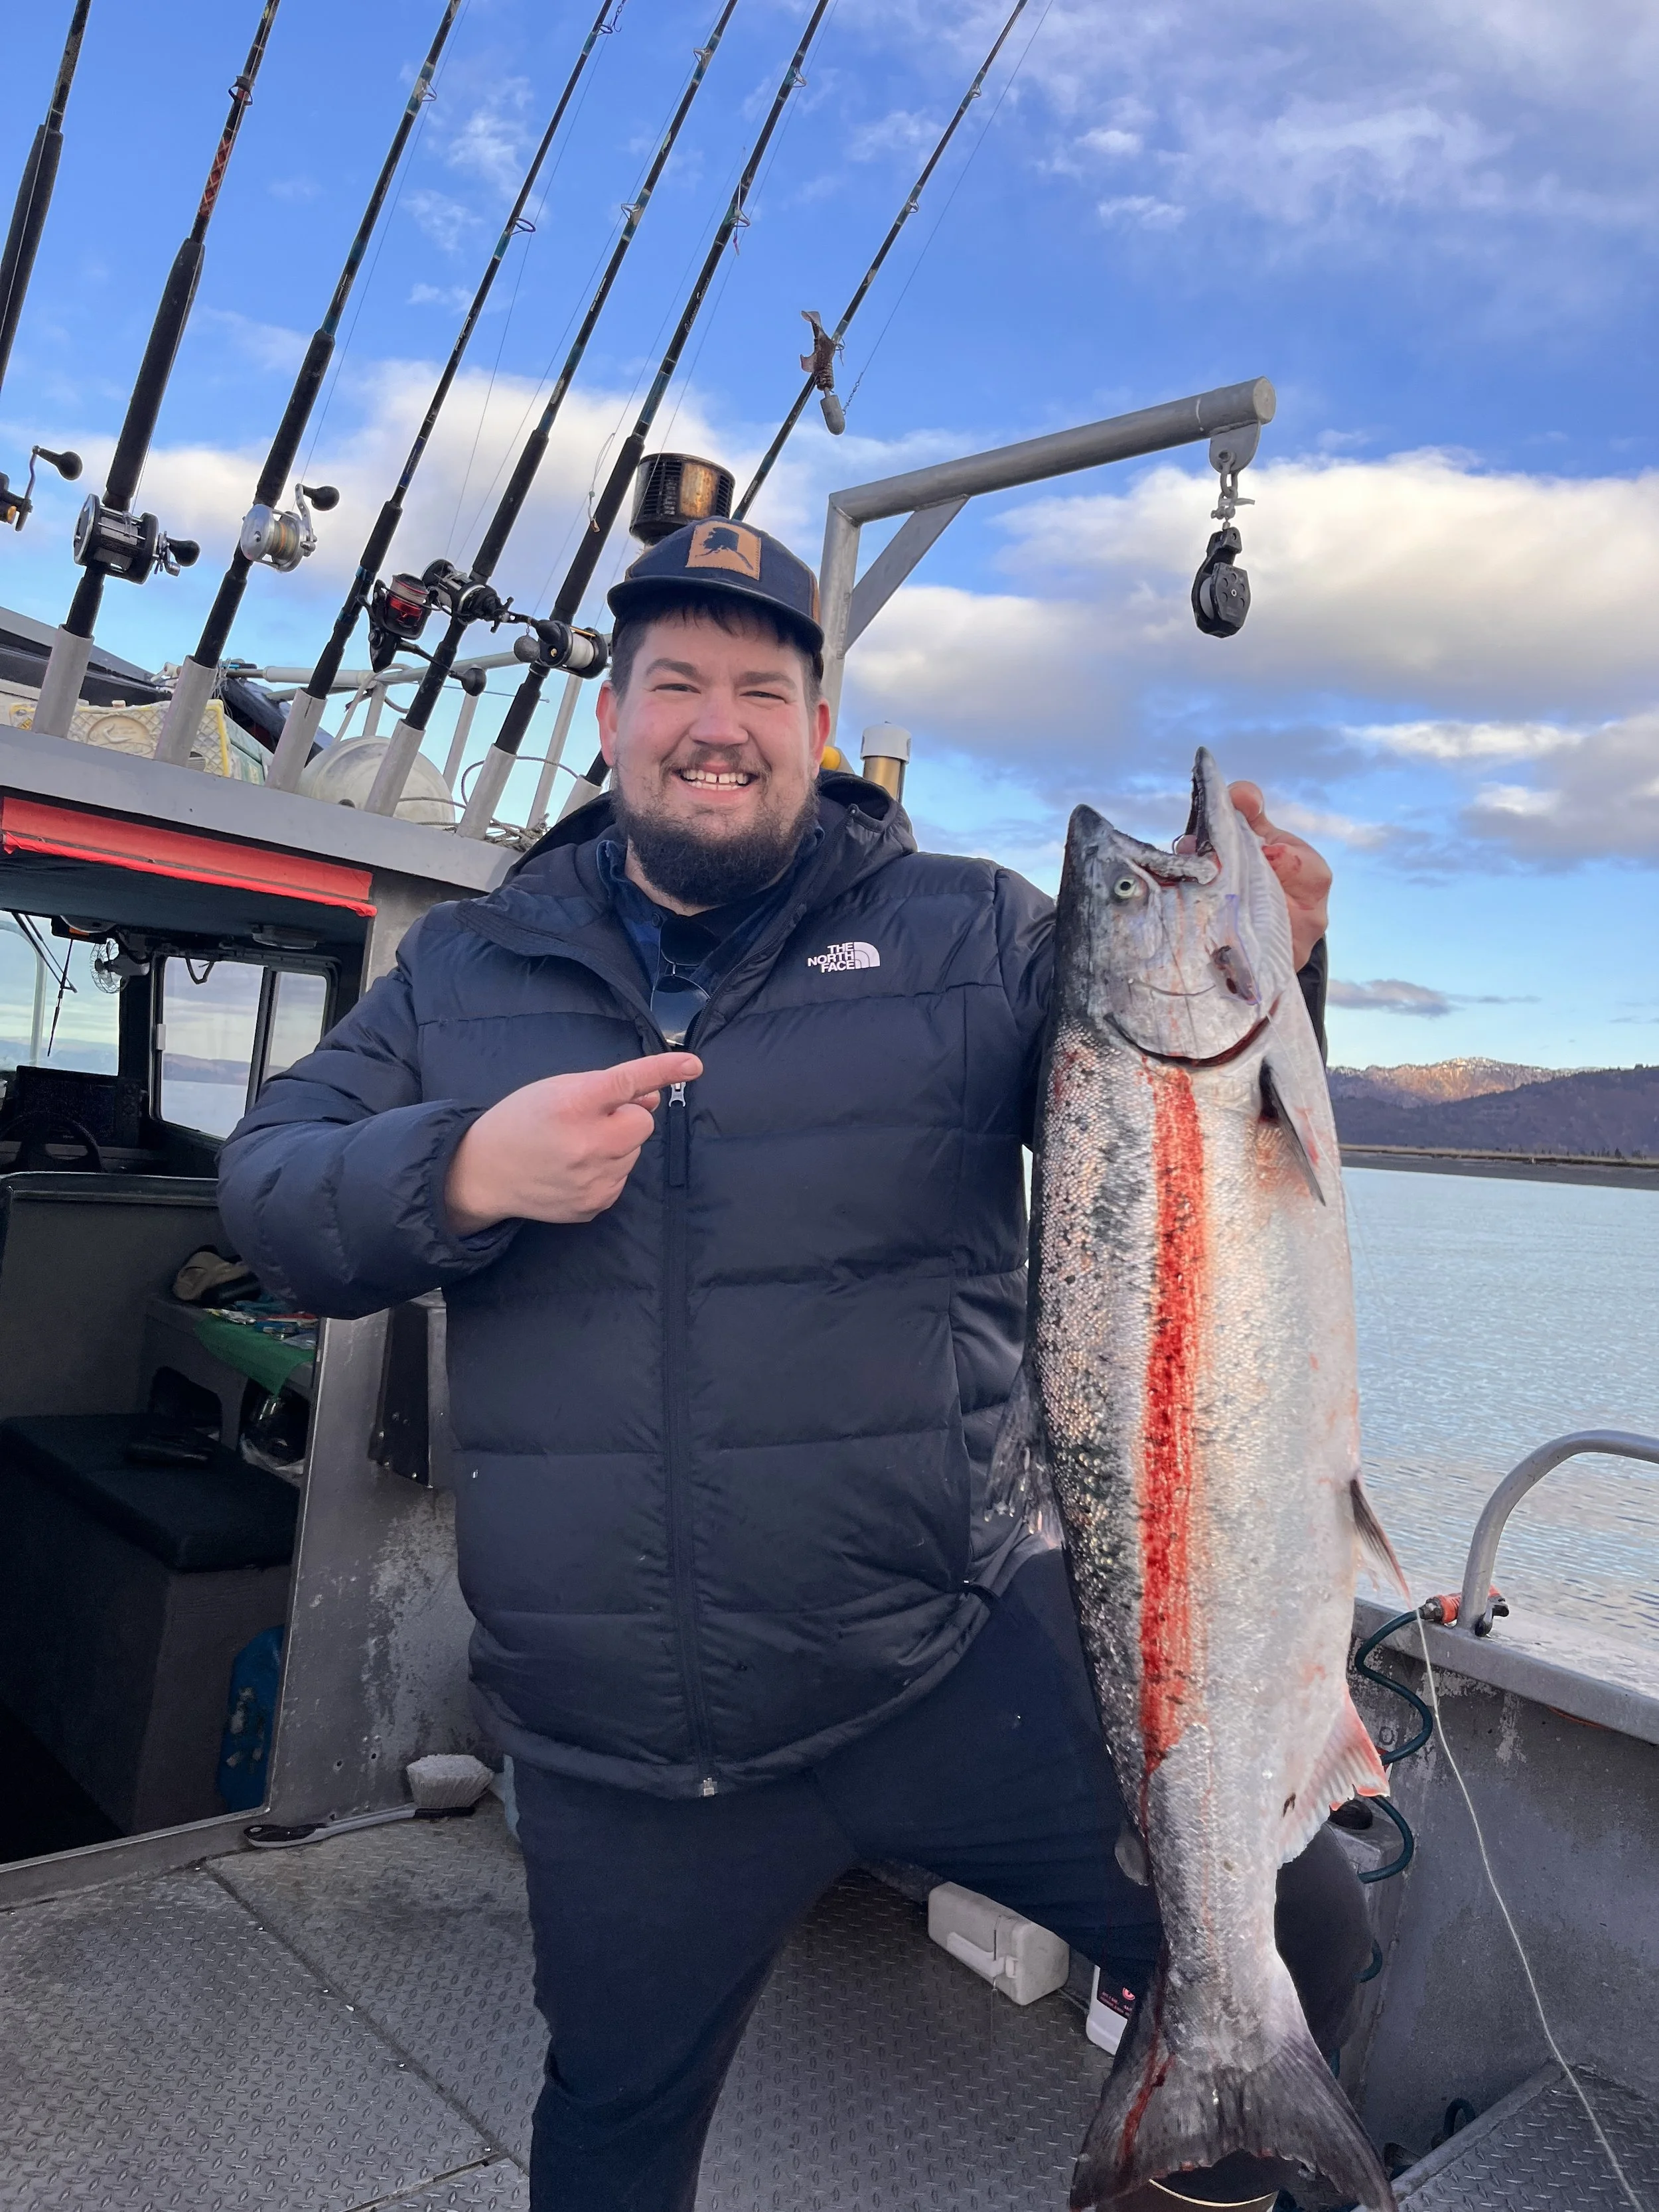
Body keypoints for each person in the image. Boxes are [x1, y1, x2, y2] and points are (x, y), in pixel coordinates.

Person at [220, 516, 1358, 2212]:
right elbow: (269, 1187)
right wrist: (464, 1170)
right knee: (609, 2137)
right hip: (624, 1743)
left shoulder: (969, 935)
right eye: (674, 679)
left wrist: (1288, 943)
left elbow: (1187, 1106)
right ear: (608, 721)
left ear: (815, 729)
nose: (717, 718)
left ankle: (1174, 2150)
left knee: (1305, 1935)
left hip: (940, 1660)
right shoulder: (464, 972)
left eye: (765, 684)